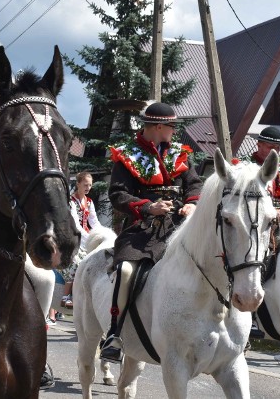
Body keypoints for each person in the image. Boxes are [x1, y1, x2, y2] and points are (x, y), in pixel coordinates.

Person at [100, 102, 203, 363]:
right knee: (126, 270)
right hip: (142, 228)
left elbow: (194, 185)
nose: (173, 131)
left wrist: (192, 204)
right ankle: (115, 332)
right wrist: (148, 207)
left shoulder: (180, 154)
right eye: (171, 126)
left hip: (179, 225)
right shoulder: (126, 155)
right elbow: (118, 194)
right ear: (158, 126)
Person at [239, 126, 280, 369]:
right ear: (259, 145)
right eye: (270, 146)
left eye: (277, 147)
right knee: (257, 264)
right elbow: (244, 204)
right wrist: (273, 213)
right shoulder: (244, 167)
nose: (275, 151)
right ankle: (251, 316)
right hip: (255, 228)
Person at [58, 172, 101, 310]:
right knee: (77, 262)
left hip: (85, 236)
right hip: (72, 236)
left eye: (90, 185)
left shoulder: (89, 201)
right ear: (78, 184)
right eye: (85, 185)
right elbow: (76, 225)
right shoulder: (71, 201)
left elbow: (94, 222)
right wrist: (91, 238)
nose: (88, 187)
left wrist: (102, 235)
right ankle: (66, 297)